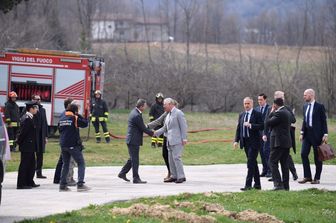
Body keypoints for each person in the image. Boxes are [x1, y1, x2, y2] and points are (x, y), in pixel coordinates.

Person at [263, 91, 298, 181]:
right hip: (273, 135)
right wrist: (265, 134)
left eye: (282, 97)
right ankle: (275, 176)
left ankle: (293, 173)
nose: (282, 98)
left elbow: (293, 120)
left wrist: (282, 122)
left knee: (284, 158)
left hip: (282, 135)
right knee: (276, 156)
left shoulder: (286, 109)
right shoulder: (270, 108)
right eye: (280, 97)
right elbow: (266, 123)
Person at [118, 99, 154, 184]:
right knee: (135, 160)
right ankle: (136, 178)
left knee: (132, 158)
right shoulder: (137, 115)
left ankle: (122, 173)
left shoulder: (134, 112)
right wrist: (153, 133)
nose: (145, 107)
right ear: (141, 106)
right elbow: (143, 128)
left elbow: (141, 126)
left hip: (131, 139)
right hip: (133, 140)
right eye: (145, 106)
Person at [154, 98, 188, 184]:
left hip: (177, 140)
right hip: (169, 140)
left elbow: (184, 126)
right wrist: (155, 133)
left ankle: (181, 176)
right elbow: (165, 128)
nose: (163, 106)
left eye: (165, 104)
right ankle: (174, 176)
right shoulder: (168, 115)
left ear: (170, 104)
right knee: (171, 159)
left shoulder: (178, 113)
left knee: (177, 158)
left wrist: (184, 138)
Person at [299, 89, 328, 185]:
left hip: (317, 135)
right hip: (307, 135)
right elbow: (304, 120)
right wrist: (302, 132)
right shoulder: (305, 106)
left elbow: (324, 121)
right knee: (303, 154)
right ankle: (307, 176)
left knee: (317, 157)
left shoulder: (320, 107)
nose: (304, 97)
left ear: (311, 95)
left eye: (305, 95)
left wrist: (325, 134)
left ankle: (317, 178)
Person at [58, 103, 90, 192]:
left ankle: (62, 185)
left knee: (66, 164)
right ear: (75, 111)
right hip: (73, 145)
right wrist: (79, 115)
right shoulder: (74, 118)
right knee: (81, 163)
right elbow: (85, 123)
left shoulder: (62, 117)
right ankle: (80, 185)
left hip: (63, 145)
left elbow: (59, 129)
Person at [234, 97, 263, 191]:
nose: (246, 105)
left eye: (248, 103)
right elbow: (238, 129)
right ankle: (258, 185)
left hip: (254, 142)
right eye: (245, 104)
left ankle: (248, 185)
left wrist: (251, 125)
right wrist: (236, 141)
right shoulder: (241, 114)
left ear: (252, 104)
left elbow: (262, 126)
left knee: (250, 163)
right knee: (253, 163)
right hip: (245, 142)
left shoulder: (257, 114)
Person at [265, 98, 292, 190]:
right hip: (286, 142)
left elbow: (268, 122)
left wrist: (271, 112)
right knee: (284, 164)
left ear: (275, 105)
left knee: (272, 161)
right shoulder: (287, 112)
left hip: (279, 143)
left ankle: (278, 185)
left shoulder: (279, 113)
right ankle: (285, 186)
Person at [53, 98, 77, 186]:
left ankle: (57, 178)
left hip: (63, 140)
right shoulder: (67, 114)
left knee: (62, 160)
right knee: (65, 161)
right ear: (68, 105)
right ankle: (62, 178)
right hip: (67, 141)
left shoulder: (63, 114)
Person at [16, 102, 40, 189]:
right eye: (35, 108)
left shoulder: (31, 117)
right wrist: (19, 143)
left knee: (32, 164)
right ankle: (21, 184)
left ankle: (29, 181)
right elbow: (22, 133)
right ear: (31, 109)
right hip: (26, 146)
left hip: (30, 146)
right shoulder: (26, 119)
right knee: (25, 165)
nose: (37, 110)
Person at [256, 93, 271, 177]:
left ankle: (270, 170)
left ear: (265, 100)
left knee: (267, 153)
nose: (259, 101)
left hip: (266, 134)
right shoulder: (257, 109)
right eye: (258, 100)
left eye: (261, 100)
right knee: (261, 153)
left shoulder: (269, 108)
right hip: (258, 134)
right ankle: (264, 170)